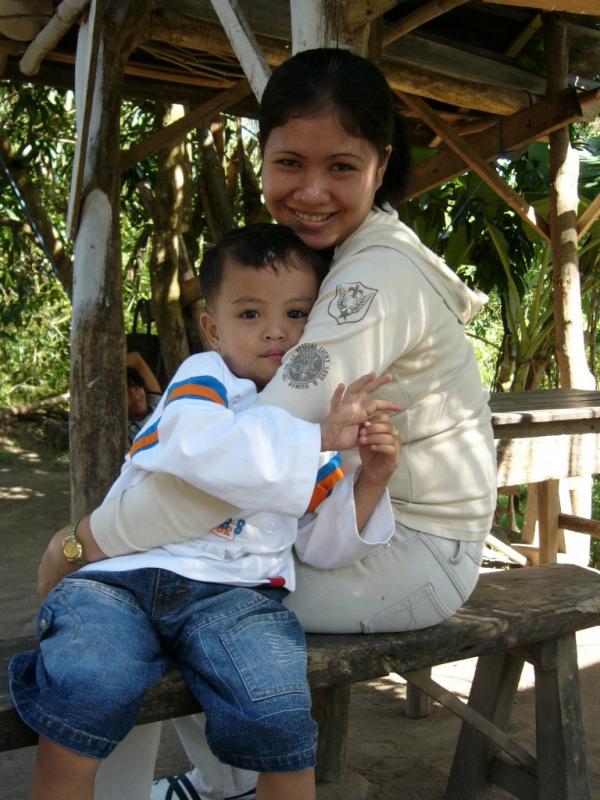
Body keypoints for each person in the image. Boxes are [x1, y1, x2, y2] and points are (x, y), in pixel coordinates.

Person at [35, 48, 497, 800]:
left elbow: (241, 469)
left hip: (407, 553)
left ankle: (218, 786)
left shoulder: (371, 281)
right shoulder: (343, 253)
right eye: (289, 163)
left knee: (159, 587)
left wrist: (80, 542)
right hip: (356, 524)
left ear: (382, 163)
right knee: (160, 587)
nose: (311, 192)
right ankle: (221, 783)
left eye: (341, 166)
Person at [11, 223, 401, 800]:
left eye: (297, 313)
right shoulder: (205, 378)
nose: (276, 330)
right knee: (84, 692)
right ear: (213, 329)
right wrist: (318, 439)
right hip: (122, 582)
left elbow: (322, 544)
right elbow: (199, 452)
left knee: (280, 718)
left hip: (236, 597)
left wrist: (371, 478)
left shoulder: (308, 423)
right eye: (250, 314)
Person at [126, 351, 162, 447]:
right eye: (127, 394)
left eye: (136, 388)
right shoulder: (125, 431)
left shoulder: (157, 405)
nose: (135, 396)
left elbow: (135, 359)